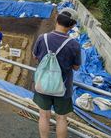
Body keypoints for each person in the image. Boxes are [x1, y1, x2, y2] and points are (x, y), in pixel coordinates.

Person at [32, 8, 81, 138]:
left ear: (56, 19)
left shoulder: (43, 38)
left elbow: (35, 57)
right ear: (72, 25)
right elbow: (76, 67)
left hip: (43, 84)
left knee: (43, 115)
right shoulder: (74, 44)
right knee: (61, 119)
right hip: (63, 87)